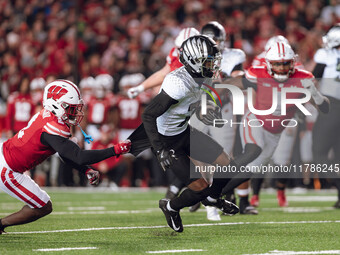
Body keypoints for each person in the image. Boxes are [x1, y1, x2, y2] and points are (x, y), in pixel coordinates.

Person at [128, 35, 239, 232]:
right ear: (194, 61)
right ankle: (171, 207)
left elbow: (191, 102)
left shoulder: (200, 75)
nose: (212, 64)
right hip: (166, 140)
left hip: (183, 131)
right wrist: (160, 149)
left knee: (227, 164)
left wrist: (204, 108)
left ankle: (213, 199)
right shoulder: (177, 84)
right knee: (199, 187)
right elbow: (148, 115)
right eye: (208, 60)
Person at [0, 80, 131, 234]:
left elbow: (65, 153)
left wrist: (85, 170)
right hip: (8, 169)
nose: (75, 113)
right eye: (70, 108)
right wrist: (115, 150)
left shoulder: (49, 117)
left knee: (43, 205)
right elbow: (79, 156)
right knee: (43, 206)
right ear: (55, 105)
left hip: (5, 156)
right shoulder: (52, 127)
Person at [220, 42, 330, 204]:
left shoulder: (302, 79)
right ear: (269, 64)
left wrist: (315, 94)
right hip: (255, 119)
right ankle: (215, 185)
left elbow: (325, 108)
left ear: (292, 63)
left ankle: (215, 192)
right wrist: (210, 95)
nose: (281, 68)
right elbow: (231, 84)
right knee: (252, 151)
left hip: (275, 131)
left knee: (252, 169)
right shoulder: (258, 74)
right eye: (277, 64)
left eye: (286, 63)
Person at [311, 23, 340, 208]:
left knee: (319, 152)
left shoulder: (326, 55)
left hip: (332, 106)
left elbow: (312, 79)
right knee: (338, 154)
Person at [127, 27, 199, 99]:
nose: (181, 52)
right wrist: (140, 88)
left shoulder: (203, 61)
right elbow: (163, 74)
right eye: (179, 48)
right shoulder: (174, 54)